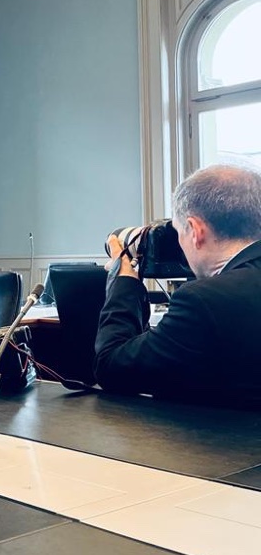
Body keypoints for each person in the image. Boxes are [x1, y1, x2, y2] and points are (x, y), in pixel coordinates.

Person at [95, 163, 261, 407]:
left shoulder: (203, 300)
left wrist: (123, 282)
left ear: (195, 230)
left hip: (220, 442)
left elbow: (112, 368)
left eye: (178, 231)